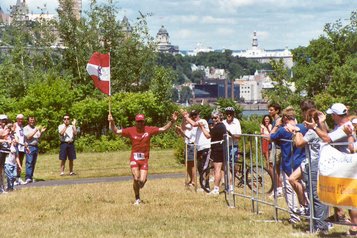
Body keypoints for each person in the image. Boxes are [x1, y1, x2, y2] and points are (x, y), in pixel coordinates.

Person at [304, 103, 357, 236]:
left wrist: (315, 127)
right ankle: (347, 222)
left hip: (348, 166)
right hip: (344, 167)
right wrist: (321, 124)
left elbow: (327, 139)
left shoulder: (345, 127)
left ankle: (354, 227)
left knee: (352, 198)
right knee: (347, 197)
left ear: (336, 115)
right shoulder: (342, 126)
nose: (332, 117)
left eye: (332, 115)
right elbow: (328, 137)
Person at [108, 112, 178, 205]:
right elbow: (116, 131)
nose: (140, 123)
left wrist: (172, 121)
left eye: (141, 121)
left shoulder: (149, 130)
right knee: (136, 178)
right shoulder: (130, 130)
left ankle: (141, 183)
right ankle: (137, 199)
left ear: (144, 122)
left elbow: (164, 129)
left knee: (142, 181)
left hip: (144, 160)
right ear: (135, 122)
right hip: (134, 159)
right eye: (138, 122)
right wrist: (112, 122)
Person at [289, 108, 330, 233]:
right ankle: (319, 224)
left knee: (314, 195)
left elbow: (299, 143)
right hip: (321, 164)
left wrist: (296, 131)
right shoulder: (324, 130)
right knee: (318, 195)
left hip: (313, 164)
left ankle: (320, 225)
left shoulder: (312, 132)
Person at [267, 106, 307, 224]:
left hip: (288, 164)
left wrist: (276, 125)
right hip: (301, 163)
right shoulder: (302, 128)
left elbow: (270, 137)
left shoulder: (283, 130)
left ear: (284, 118)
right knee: (304, 189)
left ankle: (295, 216)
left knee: (289, 190)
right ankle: (309, 211)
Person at [198, 110, 227, 196]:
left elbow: (208, 136)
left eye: (216, 118)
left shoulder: (218, 126)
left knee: (217, 170)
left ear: (220, 117)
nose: (214, 119)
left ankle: (216, 189)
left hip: (217, 149)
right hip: (221, 148)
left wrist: (201, 127)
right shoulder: (222, 126)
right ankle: (229, 188)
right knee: (224, 169)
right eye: (213, 118)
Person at [181, 110, 211, 192]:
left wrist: (187, 117)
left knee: (205, 167)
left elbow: (194, 124)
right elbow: (184, 128)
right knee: (200, 168)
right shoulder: (193, 123)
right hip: (199, 148)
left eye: (195, 115)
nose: (194, 117)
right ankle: (202, 185)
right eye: (192, 115)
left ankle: (207, 185)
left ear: (199, 115)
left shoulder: (202, 121)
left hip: (205, 147)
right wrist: (185, 118)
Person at [175, 112, 197, 187]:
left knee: (192, 164)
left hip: (191, 145)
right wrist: (184, 118)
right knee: (187, 164)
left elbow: (188, 136)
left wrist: (181, 131)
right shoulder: (187, 125)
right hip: (187, 145)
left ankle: (194, 181)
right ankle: (191, 179)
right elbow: (183, 129)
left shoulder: (194, 125)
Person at [23, 116, 46, 184]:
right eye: (31, 120)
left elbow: (38, 138)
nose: (32, 121)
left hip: (35, 146)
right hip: (29, 146)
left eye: (33, 120)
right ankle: (28, 177)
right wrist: (35, 130)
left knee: (33, 162)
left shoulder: (36, 128)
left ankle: (31, 176)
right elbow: (28, 137)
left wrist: (41, 132)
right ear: (28, 121)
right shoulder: (26, 128)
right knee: (29, 162)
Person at [268, 103, 283, 197]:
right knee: (274, 167)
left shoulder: (278, 121)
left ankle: (278, 188)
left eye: (271, 110)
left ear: (277, 110)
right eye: (269, 110)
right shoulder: (274, 121)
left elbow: (275, 134)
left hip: (277, 147)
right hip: (274, 146)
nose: (269, 112)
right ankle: (278, 188)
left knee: (272, 166)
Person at [4, 124, 21, 192]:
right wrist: (10, 141)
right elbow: (5, 138)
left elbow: (16, 157)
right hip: (7, 162)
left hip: (14, 163)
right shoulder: (7, 139)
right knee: (10, 176)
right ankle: (9, 187)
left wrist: (19, 165)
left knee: (14, 176)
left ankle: (10, 187)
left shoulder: (15, 148)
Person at [14, 114, 26, 185]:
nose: (20, 120)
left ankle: (18, 177)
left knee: (20, 162)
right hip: (16, 146)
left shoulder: (22, 127)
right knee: (16, 162)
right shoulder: (15, 125)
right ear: (17, 119)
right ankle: (14, 178)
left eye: (22, 119)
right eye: (19, 119)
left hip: (22, 147)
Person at [0, 114, 10, 193]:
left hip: (4, 151)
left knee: (2, 169)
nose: (4, 122)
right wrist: (4, 139)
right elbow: (2, 135)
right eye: (2, 120)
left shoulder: (5, 128)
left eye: (5, 120)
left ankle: (3, 187)